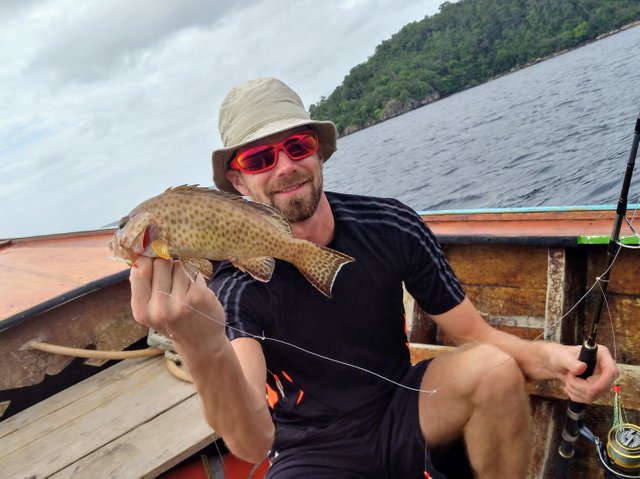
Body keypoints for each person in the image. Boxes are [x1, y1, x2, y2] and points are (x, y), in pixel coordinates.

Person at [129, 77, 618, 478]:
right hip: (310, 449)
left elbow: (474, 334)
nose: (284, 167)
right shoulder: (235, 284)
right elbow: (253, 440)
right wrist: (201, 345)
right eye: (259, 159)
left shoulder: (390, 224)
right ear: (238, 182)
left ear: (318, 150)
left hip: (403, 405)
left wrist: (554, 358)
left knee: (492, 367)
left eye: (295, 145)